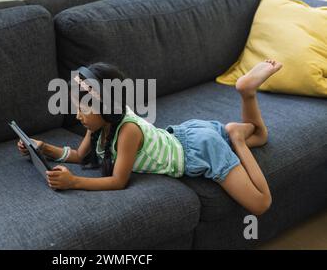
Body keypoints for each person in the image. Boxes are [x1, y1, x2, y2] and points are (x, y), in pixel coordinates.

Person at [18, 60, 283, 215]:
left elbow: (118, 181)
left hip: (200, 151)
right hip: (185, 135)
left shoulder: (128, 131)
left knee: (261, 203)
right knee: (259, 136)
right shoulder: (98, 124)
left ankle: (236, 133)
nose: (78, 115)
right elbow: (79, 155)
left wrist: (74, 182)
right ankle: (246, 96)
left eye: (83, 108)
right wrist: (43, 149)